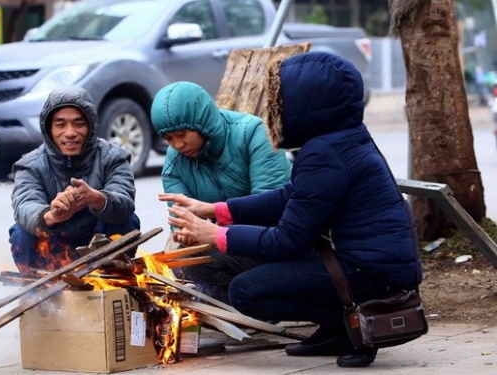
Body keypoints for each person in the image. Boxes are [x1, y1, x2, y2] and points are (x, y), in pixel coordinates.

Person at [159, 52, 423, 367]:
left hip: (374, 273)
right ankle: (335, 327)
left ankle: (350, 324)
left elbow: (288, 241)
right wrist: (214, 208)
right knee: (214, 261)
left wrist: (215, 233)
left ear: (308, 102)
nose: (277, 110)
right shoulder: (338, 139)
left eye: (281, 101)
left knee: (247, 292)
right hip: (367, 263)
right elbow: (289, 195)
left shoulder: (325, 152)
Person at [150, 81, 292, 303]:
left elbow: (268, 209)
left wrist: (214, 231)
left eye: (181, 134)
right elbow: (183, 222)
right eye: (168, 139)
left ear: (200, 121)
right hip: (224, 244)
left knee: (211, 267)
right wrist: (186, 235)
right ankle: (246, 304)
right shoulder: (173, 163)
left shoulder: (255, 133)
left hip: (275, 240)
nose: (177, 145)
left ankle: (264, 303)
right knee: (181, 267)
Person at [9, 86, 140, 274]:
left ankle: (113, 282)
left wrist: (96, 198)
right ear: (49, 129)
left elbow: (125, 202)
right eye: (60, 125)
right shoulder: (30, 165)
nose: (70, 133)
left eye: (79, 124)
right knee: (22, 233)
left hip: (98, 248)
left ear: (91, 126)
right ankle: (40, 293)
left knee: (127, 221)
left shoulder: (113, 158)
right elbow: (25, 206)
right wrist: (51, 215)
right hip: (55, 248)